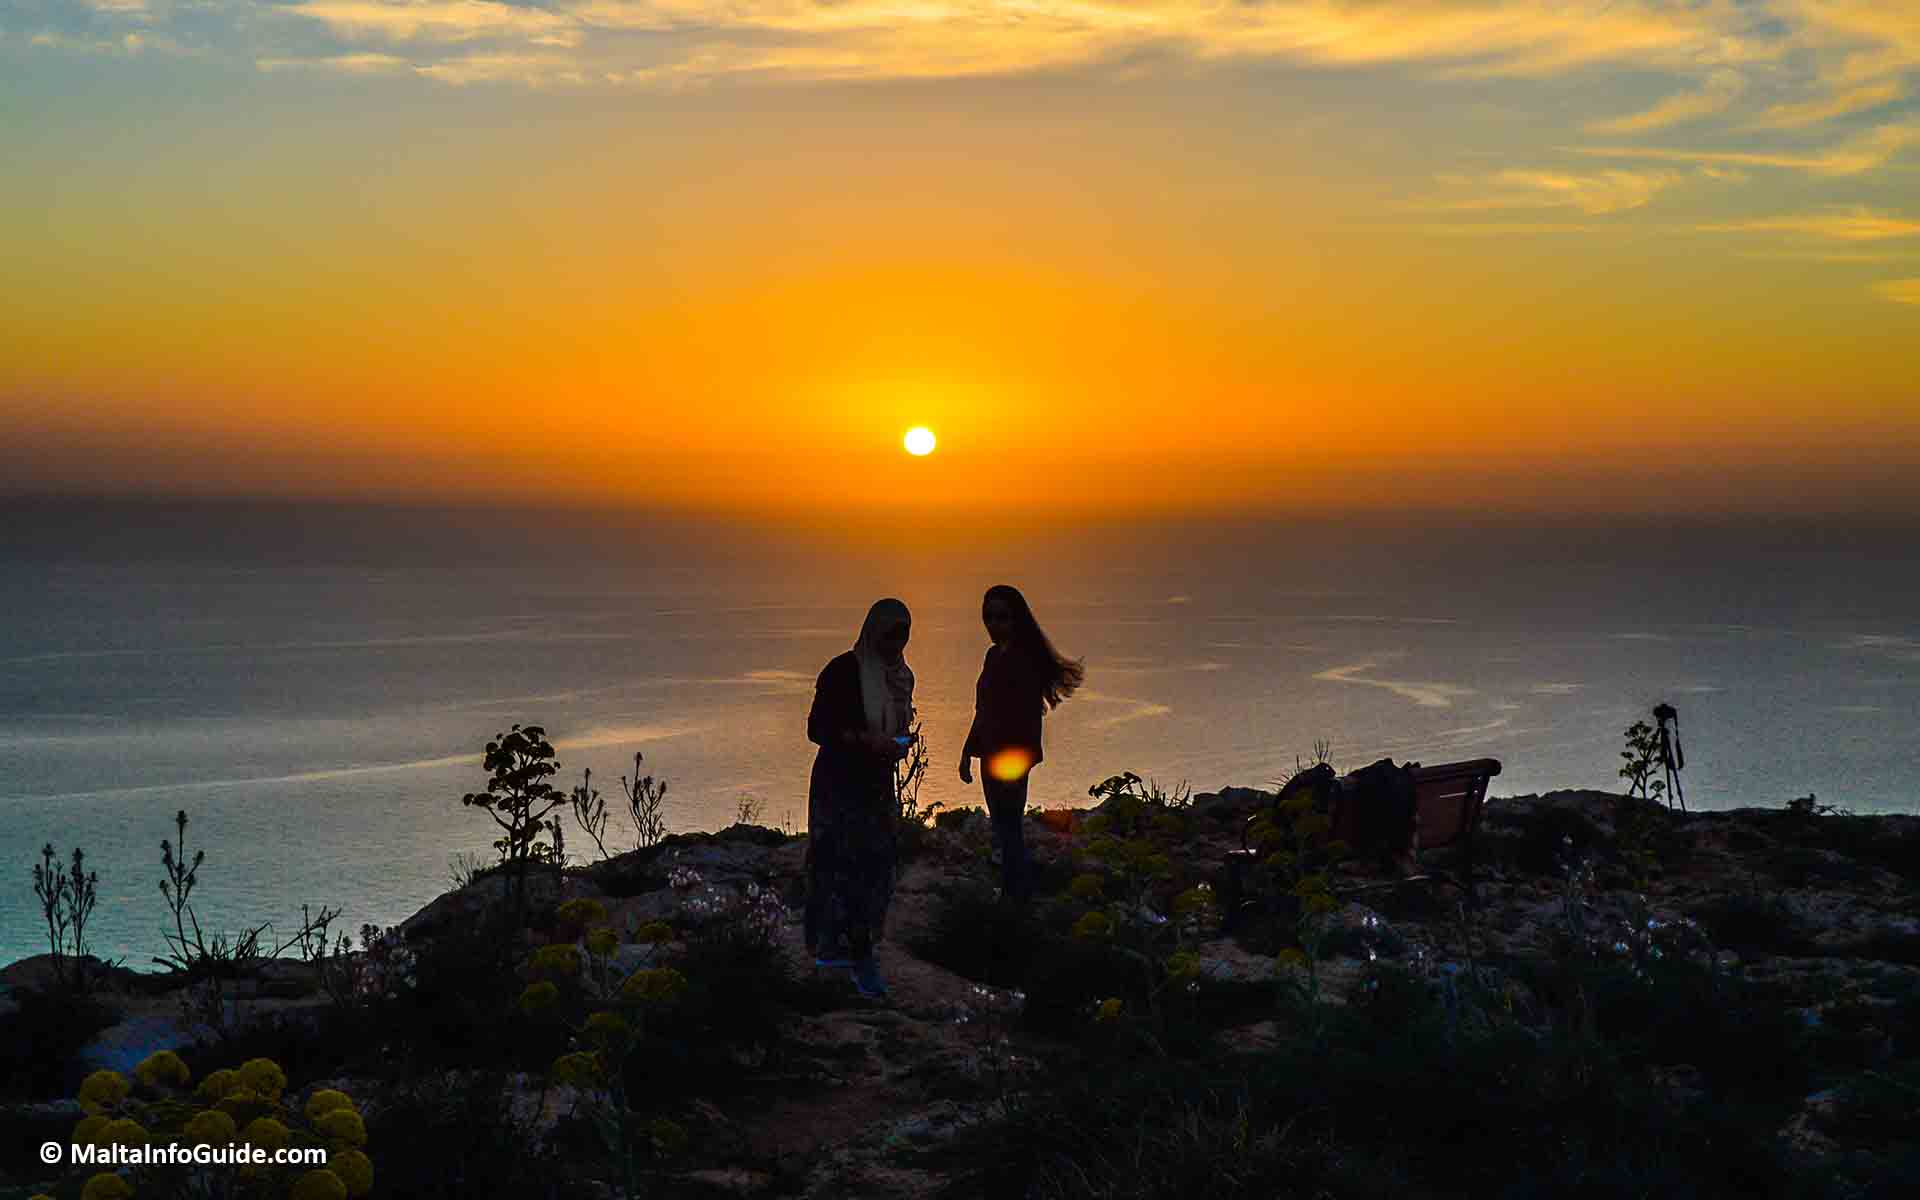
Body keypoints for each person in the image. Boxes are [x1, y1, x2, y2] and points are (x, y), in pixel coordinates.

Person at [806, 598, 915, 998]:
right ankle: (837, 949)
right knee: (837, 861)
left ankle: (862, 947)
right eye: (889, 633)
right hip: (839, 781)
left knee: (878, 864)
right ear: (873, 631)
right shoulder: (843, 670)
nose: (896, 642)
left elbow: (896, 726)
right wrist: (865, 740)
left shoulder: (901, 677)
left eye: (902, 633)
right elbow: (817, 728)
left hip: (876, 783)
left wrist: (896, 746)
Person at [959, 585, 1083, 903]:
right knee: (1002, 827)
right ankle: (1013, 891)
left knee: (1009, 826)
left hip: (1011, 756)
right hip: (989, 753)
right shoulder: (993, 656)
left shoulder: (1022, 660)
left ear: (1016, 619)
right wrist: (966, 751)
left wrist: (1021, 757)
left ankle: (1017, 896)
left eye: (1002, 617)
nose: (993, 623)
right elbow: (982, 708)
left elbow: (1026, 716)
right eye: (988, 616)